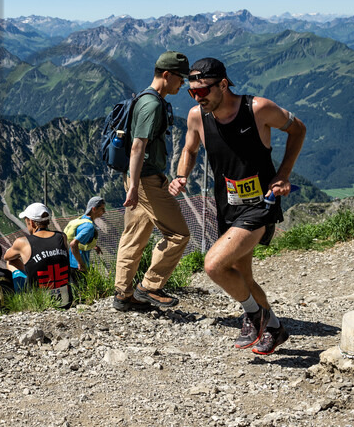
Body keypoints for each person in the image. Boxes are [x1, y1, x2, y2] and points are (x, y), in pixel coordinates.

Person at [170, 58, 306, 355]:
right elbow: (189, 149)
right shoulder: (197, 117)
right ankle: (274, 328)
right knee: (242, 276)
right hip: (227, 206)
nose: (197, 98)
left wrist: (283, 175)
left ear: (222, 84)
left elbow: (298, 130)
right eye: (192, 92)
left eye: (203, 91)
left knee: (214, 265)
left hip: (261, 204)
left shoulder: (258, 109)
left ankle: (254, 315)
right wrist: (182, 175)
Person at [113, 51, 192, 312]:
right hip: (145, 181)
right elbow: (138, 146)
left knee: (133, 236)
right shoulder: (153, 104)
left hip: (137, 178)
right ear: (167, 75)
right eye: (181, 78)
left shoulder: (146, 98)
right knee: (179, 233)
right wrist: (135, 187)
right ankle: (150, 286)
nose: (183, 84)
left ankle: (123, 295)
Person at [5, 202, 73, 307]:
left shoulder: (22, 242)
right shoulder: (62, 237)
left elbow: (7, 256)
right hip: (66, 301)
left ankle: (19, 297)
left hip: (39, 303)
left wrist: (22, 252)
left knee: (11, 262)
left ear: (31, 222)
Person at [65, 196, 106, 275]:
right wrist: (80, 263)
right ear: (94, 209)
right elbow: (73, 244)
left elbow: (81, 240)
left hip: (71, 263)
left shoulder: (81, 220)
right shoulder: (89, 226)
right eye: (102, 209)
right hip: (78, 267)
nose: (104, 211)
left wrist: (93, 246)